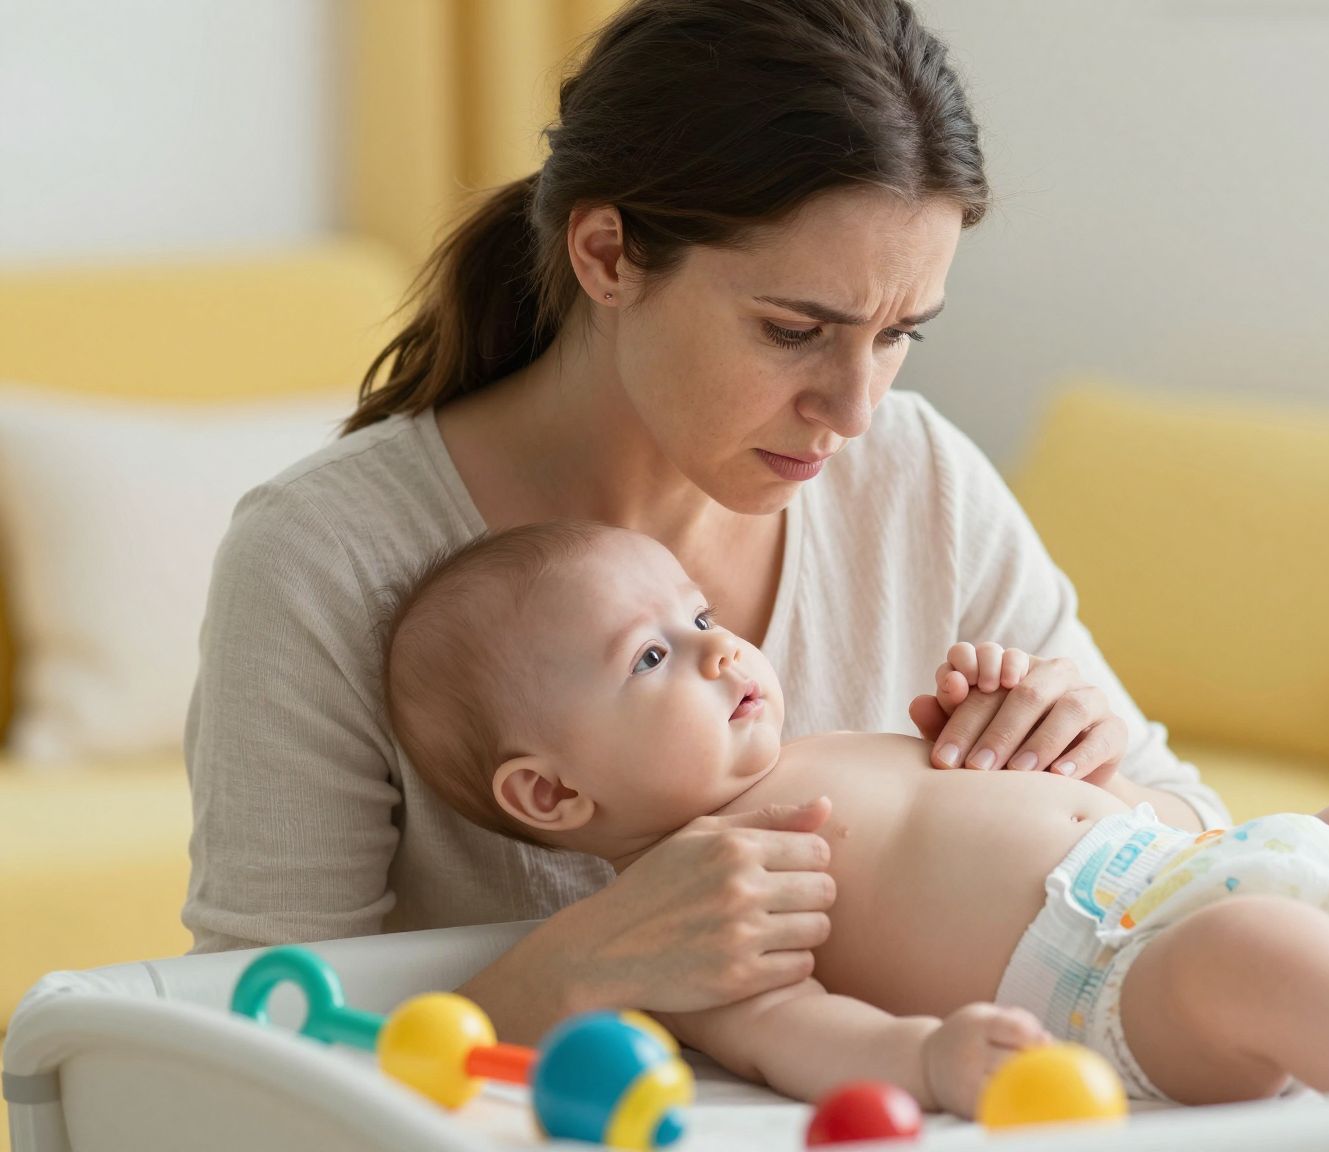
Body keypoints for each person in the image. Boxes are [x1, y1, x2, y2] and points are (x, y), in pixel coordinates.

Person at [182, 0, 1225, 1046]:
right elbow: (248, 1050)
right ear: (606, 255)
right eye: (791, 330)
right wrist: (574, 970)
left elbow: (1215, 844)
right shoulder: (324, 559)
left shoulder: (917, 479)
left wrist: (1097, 771)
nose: (854, 411)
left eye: (899, 333)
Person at [380, 520, 1329, 1112]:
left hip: (1214, 856)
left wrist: (1029, 733)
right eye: (651, 658)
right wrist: (933, 1058)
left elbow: (1060, 799)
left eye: (699, 618)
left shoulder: (821, 741)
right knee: (1250, 964)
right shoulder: (703, 902)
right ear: (550, 794)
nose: (716, 649)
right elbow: (789, 1033)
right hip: (1135, 990)